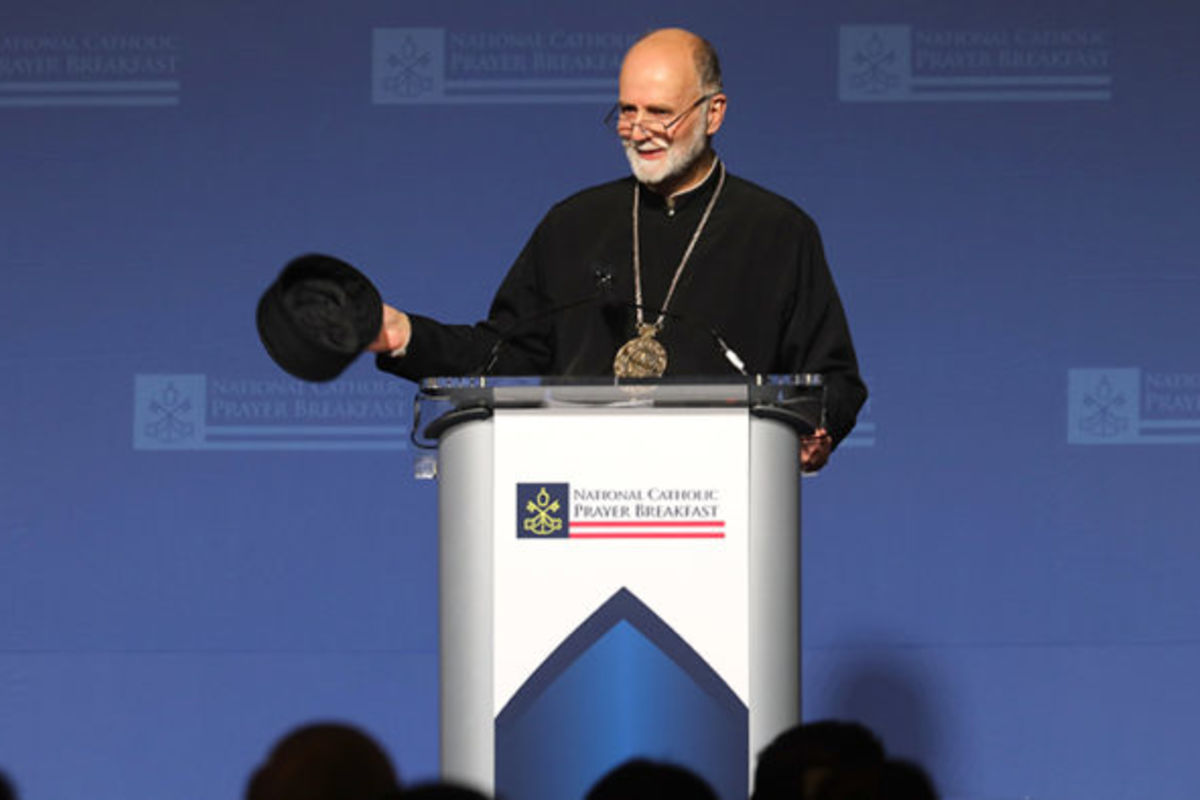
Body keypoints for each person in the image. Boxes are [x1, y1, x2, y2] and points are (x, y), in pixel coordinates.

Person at [368, 28, 866, 471]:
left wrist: (814, 428)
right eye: (628, 111)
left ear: (713, 113)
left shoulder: (778, 230)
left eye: (660, 113)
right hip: (579, 492)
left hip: (720, 501)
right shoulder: (572, 224)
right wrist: (403, 334)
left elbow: (834, 379)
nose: (638, 129)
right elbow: (504, 355)